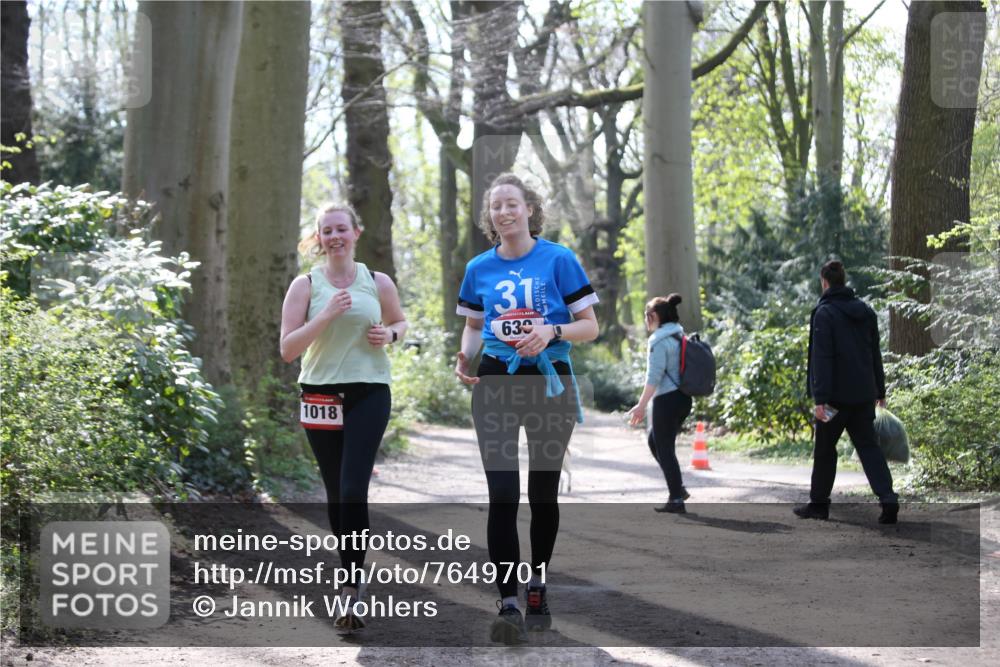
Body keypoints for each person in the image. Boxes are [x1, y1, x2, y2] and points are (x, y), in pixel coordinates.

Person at [454, 173, 599, 644]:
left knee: (542, 493)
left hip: (548, 380)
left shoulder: (559, 259)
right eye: (495, 206)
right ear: (490, 215)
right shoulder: (478, 267)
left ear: (529, 209)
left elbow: (590, 325)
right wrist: (465, 354)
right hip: (496, 379)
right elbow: (475, 325)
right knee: (501, 494)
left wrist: (551, 332)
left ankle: (537, 582)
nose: (503, 212)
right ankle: (509, 603)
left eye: (511, 203)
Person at [279, 203, 408, 630]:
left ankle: (350, 587)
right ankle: (350, 571)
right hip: (319, 393)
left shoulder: (377, 281)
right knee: (336, 490)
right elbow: (288, 349)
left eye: (341, 229)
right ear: (319, 239)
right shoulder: (305, 285)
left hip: (369, 392)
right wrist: (327, 313)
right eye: (326, 231)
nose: (334, 236)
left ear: (356, 232)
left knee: (353, 487)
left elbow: (400, 322)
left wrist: (389, 334)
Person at [794, 260, 899, 524]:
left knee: (825, 449)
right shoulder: (865, 311)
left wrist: (820, 399)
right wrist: (880, 389)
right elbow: (874, 353)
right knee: (869, 447)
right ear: (843, 281)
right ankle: (888, 499)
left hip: (834, 400)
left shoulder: (824, 314)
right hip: (863, 395)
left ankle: (818, 504)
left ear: (824, 282)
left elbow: (823, 358)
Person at [626, 294, 693, 514]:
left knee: (664, 448)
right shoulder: (678, 333)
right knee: (656, 442)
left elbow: (653, 377)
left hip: (667, 399)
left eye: (646, 316)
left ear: (654, 316)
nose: (645, 321)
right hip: (683, 398)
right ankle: (678, 489)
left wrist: (641, 405)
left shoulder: (658, 340)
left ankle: (676, 498)